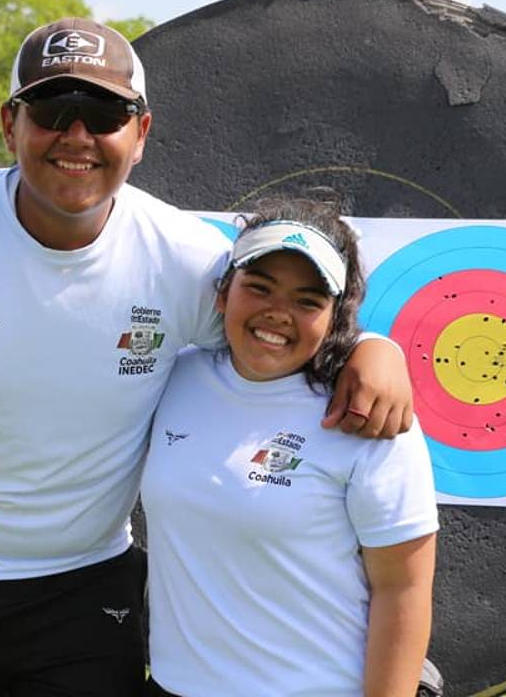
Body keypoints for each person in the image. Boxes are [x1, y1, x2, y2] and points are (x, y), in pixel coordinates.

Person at [0, 18, 416, 697]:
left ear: (141, 134)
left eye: (105, 113)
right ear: (9, 124)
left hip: (88, 592)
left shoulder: (185, 258)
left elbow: (282, 318)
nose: (77, 136)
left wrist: (373, 344)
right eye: (52, 110)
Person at [141, 199, 439, 697]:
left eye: (307, 300)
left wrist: (377, 347)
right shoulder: (175, 375)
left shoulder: (369, 414)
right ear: (222, 293)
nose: (277, 313)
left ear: (335, 316)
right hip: (174, 687)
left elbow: (403, 589)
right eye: (258, 287)